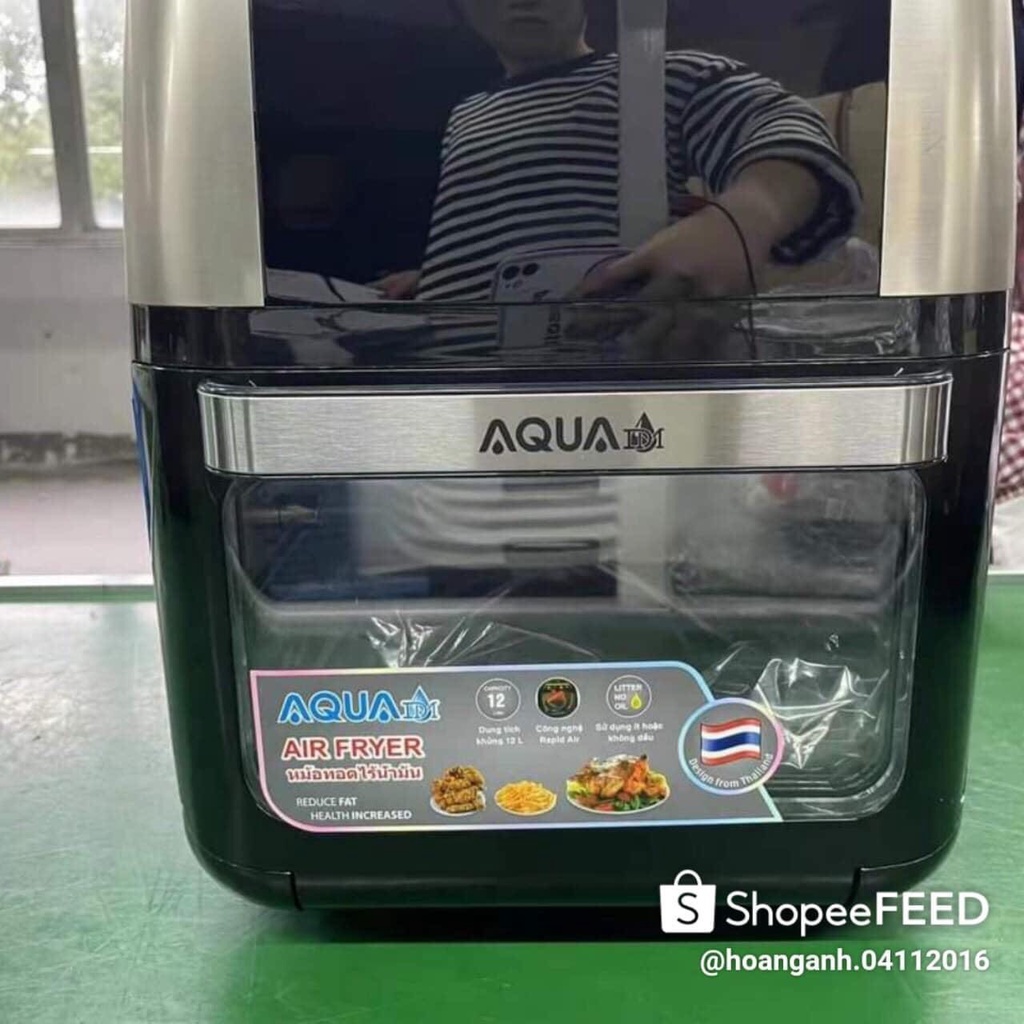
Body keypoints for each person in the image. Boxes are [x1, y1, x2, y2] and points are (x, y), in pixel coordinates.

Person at [376, 0, 861, 305]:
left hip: (605, 372)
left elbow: (783, 124)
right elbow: (511, 217)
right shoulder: (466, 113)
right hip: (450, 382)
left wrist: (739, 222)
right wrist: (444, 276)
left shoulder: (661, 76)